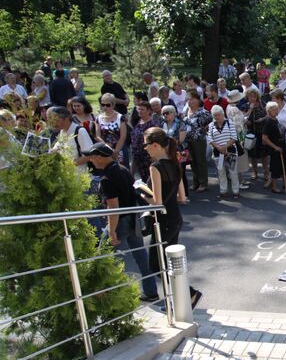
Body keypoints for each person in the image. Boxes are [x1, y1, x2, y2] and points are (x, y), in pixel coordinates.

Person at [85, 142, 157, 301]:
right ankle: (151, 291)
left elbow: (113, 207)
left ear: (100, 157)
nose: (90, 159)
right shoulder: (123, 169)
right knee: (141, 257)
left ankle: (103, 294)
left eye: (92, 156)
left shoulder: (107, 178)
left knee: (102, 257)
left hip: (121, 221)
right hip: (134, 219)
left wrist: (111, 230)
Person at [142, 127, 203, 308]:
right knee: (169, 263)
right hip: (175, 218)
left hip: (162, 221)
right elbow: (182, 197)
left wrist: (141, 193)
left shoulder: (156, 167)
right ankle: (179, 300)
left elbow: (157, 201)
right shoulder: (174, 162)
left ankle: (188, 294)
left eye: (146, 145)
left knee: (157, 264)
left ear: (155, 145)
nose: (145, 149)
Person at [208, 105, 240, 199]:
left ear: (222, 114)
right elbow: (210, 138)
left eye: (219, 115)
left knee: (233, 172)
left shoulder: (230, 123)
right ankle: (223, 191)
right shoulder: (211, 125)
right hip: (218, 153)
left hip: (230, 151)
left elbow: (234, 137)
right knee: (221, 173)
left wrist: (225, 147)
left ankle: (236, 191)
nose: (217, 117)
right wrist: (218, 147)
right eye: (215, 115)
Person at [49, 106, 93, 174]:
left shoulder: (80, 131)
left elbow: (89, 155)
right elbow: (57, 149)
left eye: (57, 121)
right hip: (67, 175)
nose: (55, 124)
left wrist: (71, 164)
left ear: (66, 119)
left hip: (80, 175)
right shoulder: (62, 132)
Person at [161, 104, 188, 202]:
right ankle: (173, 194)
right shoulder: (162, 124)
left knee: (180, 172)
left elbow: (181, 140)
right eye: (163, 113)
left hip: (178, 151)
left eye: (167, 113)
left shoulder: (180, 123)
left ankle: (184, 195)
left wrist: (169, 144)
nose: (165, 115)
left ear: (173, 113)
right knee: (170, 172)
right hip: (166, 151)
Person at [271, 89, 286, 189]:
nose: (272, 101)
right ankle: (284, 179)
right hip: (276, 139)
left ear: (279, 99)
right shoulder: (272, 109)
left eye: (273, 99)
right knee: (277, 160)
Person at [262, 101, 286, 194]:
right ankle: (274, 187)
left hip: (280, 145)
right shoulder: (268, 121)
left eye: (277, 109)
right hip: (274, 148)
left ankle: (284, 183)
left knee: (280, 166)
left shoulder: (275, 120)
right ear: (269, 111)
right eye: (274, 110)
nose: (276, 111)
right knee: (275, 167)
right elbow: (264, 138)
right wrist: (275, 147)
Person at [131, 102, 161, 183]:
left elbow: (157, 140)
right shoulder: (138, 122)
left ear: (149, 111)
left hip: (149, 156)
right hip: (138, 156)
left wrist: (154, 156)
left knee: (152, 180)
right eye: (139, 109)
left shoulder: (153, 123)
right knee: (144, 179)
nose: (140, 111)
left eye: (142, 109)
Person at [244, 89, 269, 185]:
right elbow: (244, 117)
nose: (252, 98)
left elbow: (269, 114)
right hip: (251, 133)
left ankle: (266, 172)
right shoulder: (246, 106)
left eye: (254, 96)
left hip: (262, 131)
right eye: (250, 96)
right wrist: (250, 109)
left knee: (264, 153)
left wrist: (262, 119)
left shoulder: (262, 103)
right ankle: (254, 171)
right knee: (252, 154)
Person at [95, 93, 127, 164]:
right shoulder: (98, 118)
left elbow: (123, 136)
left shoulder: (120, 117)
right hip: (104, 150)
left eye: (108, 105)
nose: (105, 107)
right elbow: (97, 136)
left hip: (119, 149)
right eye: (103, 105)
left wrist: (116, 151)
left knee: (120, 172)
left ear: (113, 105)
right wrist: (107, 148)